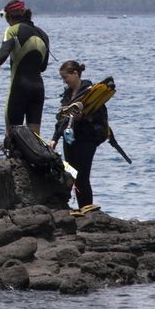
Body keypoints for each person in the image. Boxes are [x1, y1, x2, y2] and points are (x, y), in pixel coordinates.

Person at [0, 0, 50, 137]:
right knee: (35, 134)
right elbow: (43, 67)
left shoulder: (12, 30)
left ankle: (11, 157)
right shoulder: (43, 34)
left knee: (12, 131)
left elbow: (3, 53)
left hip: (20, 87)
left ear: (8, 17)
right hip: (38, 88)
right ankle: (35, 157)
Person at [48, 60, 109, 213]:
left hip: (87, 139)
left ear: (75, 74)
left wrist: (82, 118)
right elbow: (62, 119)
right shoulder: (67, 94)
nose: (64, 81)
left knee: (83, 176)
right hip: (70, 139)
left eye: (65, 77)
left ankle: (87, 208)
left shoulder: (91, 92)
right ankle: (80, 208)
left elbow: (100, 117)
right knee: (72, 175)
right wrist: (55, 138)